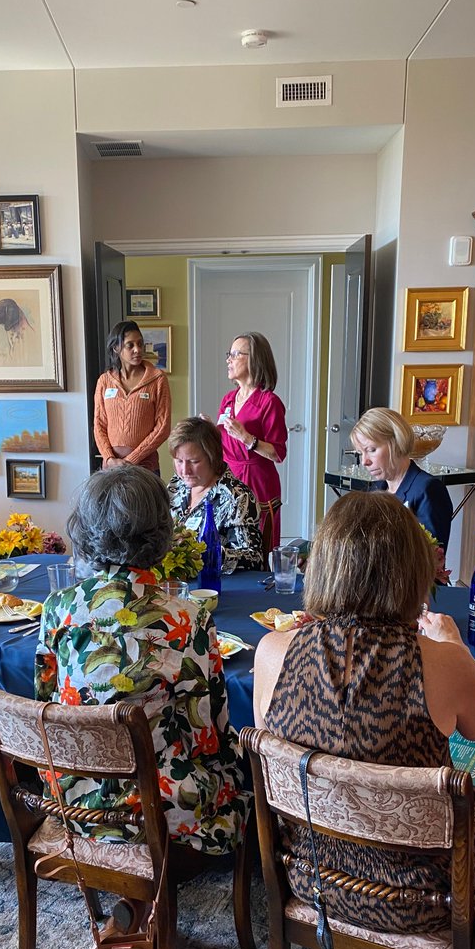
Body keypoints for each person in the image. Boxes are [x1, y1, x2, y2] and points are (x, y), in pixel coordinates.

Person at [253, 492, 475, 949]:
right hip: (429, 898)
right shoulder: (441, 662)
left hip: (311, 873)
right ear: (413, 573)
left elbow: (273, 746)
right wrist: (453, 645)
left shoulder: (273, 650)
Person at [35, 467, 250, 870]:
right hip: (164, 805)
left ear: (86, 529)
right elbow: (210, 730)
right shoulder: (188, 617)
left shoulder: (58, 609)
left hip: (75, 799)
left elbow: (47, 704)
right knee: (245, 771)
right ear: (161, 531)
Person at [216, 332, 288, 546]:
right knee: (228, 541)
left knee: (257, 543)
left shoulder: (269, 402)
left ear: (254, 359)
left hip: (258, 481)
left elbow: (278, 453)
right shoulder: (228, 400)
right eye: (229, 354)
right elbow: (223, 441)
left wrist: (247, 438)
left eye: (235, 354)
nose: (229, 360)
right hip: (229, 477)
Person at [167, 417, 264, 573]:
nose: (185, 471)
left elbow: (254, 558)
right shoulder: (177, 485)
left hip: (215, 583)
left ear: (212, 457)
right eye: (179, 461)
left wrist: (204, 554)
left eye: (194, 461)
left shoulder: (238, 497)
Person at [351, 406, 454, 550]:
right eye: (360, 453)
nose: (364, 461)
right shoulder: (375, 488)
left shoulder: (428, 489)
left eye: (371, 450)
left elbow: (433, 555)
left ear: (397, 443)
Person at [93, 320, 171, 474]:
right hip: (111, 469)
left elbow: (162, 427)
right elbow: (99, 425)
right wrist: (109, 459)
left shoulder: (158, 379)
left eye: (140, 344)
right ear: (116, 348)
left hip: (146, 468)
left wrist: (131, 460)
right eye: (130, 345)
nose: (137, 349)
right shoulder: (105, 381)